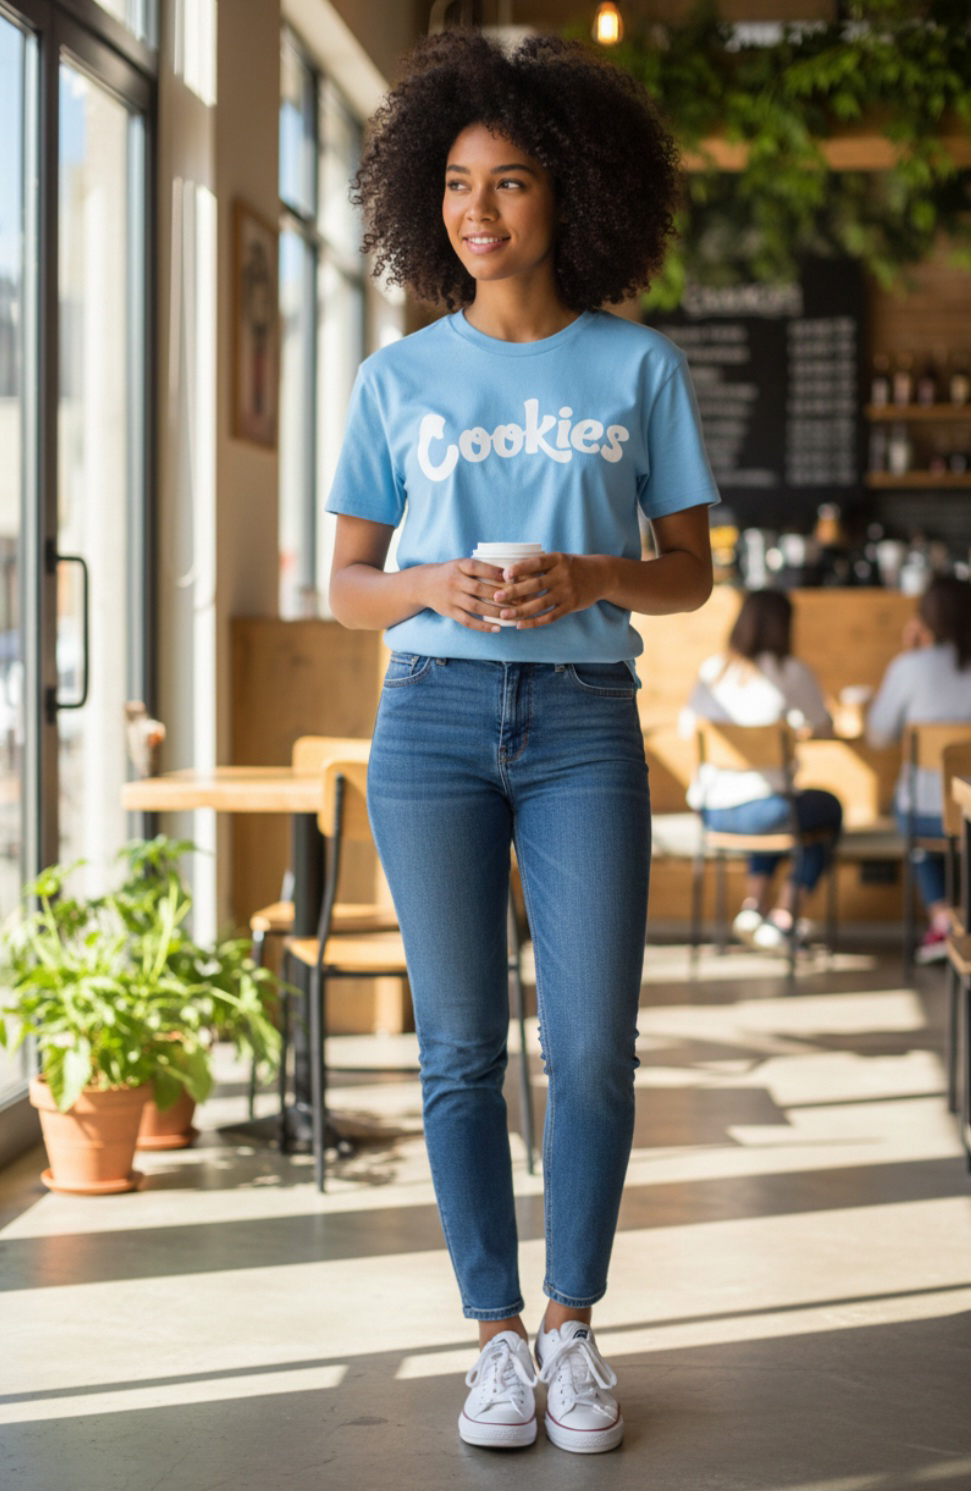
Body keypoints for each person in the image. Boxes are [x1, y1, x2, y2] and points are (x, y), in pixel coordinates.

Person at [325, 30, 718, 1455]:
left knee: (591, 1043)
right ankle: (491, 1336)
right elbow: (344, 584)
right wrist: (430, 582)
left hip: (579, 723)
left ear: (571, 195)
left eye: (506, 182)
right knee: (457, 1047)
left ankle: (570, 1323)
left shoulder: (635, 365)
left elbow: (690, 569)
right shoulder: (396, 378)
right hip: (427, 712)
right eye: (451, 184)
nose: (476, 212)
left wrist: (592, 575)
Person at [681, 590, 842, 951]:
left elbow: (686, 727)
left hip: (712, 812)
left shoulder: (713, 668)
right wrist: (797, 730)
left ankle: (754, 907)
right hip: (764, 811)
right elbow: (826, 725)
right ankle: (784, 918)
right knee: (825, 811)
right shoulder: (791, 671)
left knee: (780, 808)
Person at [867, 575, 971, 962]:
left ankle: (941, 919)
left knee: (915, 815)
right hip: (970, 813)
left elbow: (878, 736)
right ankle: (960, 921)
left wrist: (910, 655)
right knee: (961, 827)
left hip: (922, 817)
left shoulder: (909, 667)